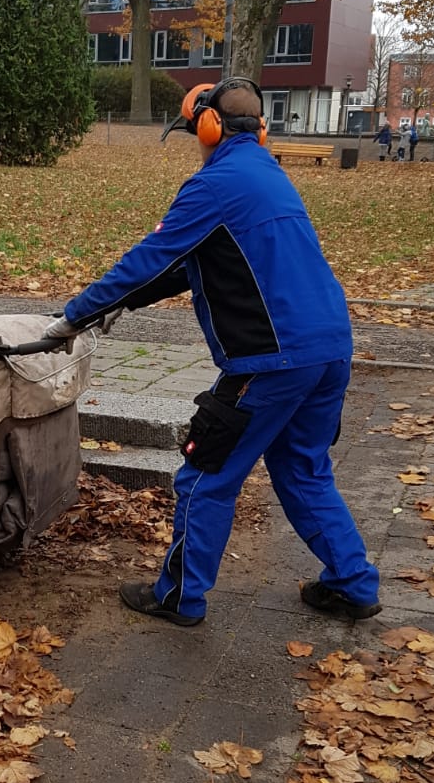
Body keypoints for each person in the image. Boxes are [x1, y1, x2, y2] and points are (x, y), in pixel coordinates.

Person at [46, 78, 380, 628]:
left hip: (270, 361)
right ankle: (353, 583)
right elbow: (189, 265)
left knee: (205, 475)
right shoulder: (271, 177)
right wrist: (123, 307)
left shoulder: (215, 183)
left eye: (195, 133)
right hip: (331, 350)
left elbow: (150, 258)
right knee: (303, 470)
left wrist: (74, 316)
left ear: (209, 126)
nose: (195, 144)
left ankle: (180, 596)